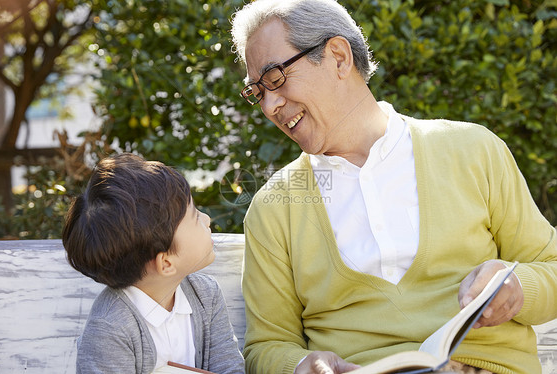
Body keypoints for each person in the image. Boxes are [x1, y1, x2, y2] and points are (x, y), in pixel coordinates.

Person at [230, 0, 557, 373]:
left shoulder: (473, 150)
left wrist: (517, 286)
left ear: (338, 57)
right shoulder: (274, 208)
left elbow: (551, 266)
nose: (270, 105)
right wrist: (301, 364)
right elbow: (266, 344)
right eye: (258, 92)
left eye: (275, 78)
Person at [62, 153, 245, 374]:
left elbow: (230, 368)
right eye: (195, 217)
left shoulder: (206, 296)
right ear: (166, 263)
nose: (206, 219)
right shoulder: (110, 328)